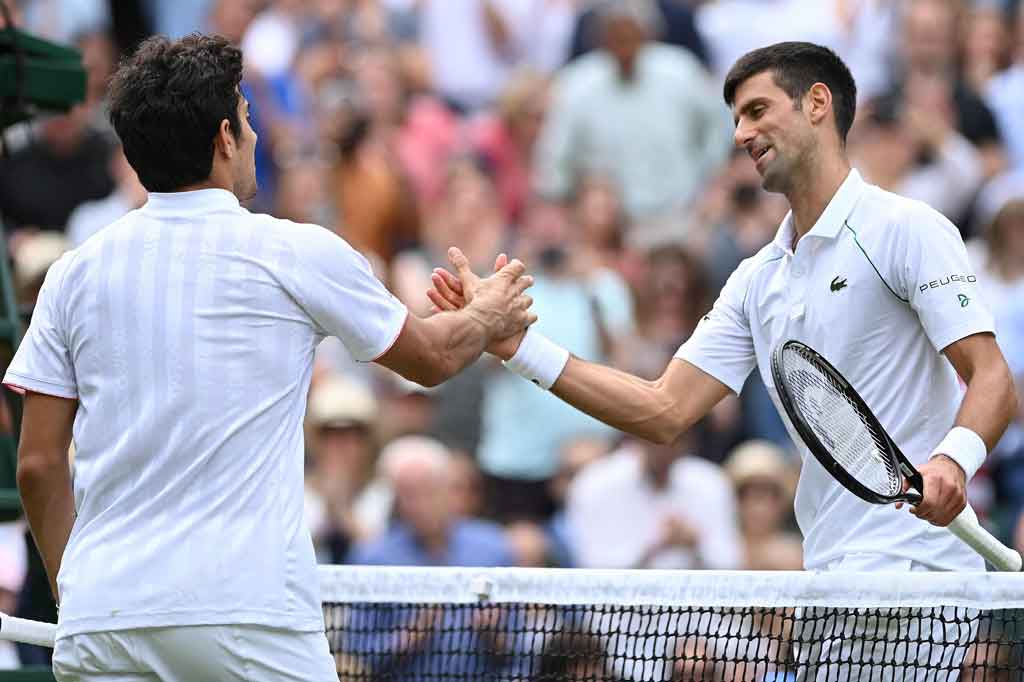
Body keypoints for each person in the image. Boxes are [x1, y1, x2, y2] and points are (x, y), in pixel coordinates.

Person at [430, 41, 1016, 680]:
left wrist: (953, 460)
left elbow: (990, 376)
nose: (741, 133)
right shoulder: (755, 282)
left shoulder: (907, 229)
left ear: (817, 103)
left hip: (914, 579)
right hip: (830, 580)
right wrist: (517, 346)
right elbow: (661, 410)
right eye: (736, 119)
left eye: (757, 110)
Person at [7, 34, 535, 682]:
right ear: (226, 138)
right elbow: (434, 358)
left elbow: (36, 465)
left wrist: (77, 591)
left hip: (104, 617)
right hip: (247, 617)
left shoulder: (70, 274)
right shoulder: (296, 251)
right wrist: (490, 312)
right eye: (249, 120)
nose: (257, 137)